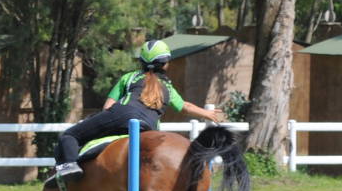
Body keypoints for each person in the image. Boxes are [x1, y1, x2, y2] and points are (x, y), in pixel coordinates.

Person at [51, 39, 225, 178]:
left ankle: (70, 167)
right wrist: (207, 114)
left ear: (141, 61)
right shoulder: (168, 88)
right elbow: (185, 107)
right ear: (166, 63)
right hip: (147, 126)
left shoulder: (130, 77)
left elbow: (108, 106)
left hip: (119, 115)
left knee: (70, 135)